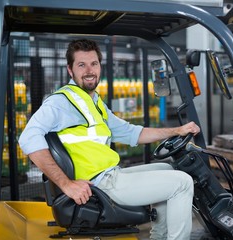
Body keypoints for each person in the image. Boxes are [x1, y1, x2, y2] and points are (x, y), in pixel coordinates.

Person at [18, 38, 200, 240]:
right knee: (183, 182)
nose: (89, 70)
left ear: (100, 67)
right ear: (70, 70)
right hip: (101, 184)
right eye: (81, 65)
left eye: (94, 64)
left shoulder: (93, 103)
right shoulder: (60, 102)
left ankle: (159, 237)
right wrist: (66, 184)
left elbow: (133, 133)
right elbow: (28, 138)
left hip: (110, 176)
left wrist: (177, 131)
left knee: (169, 169)